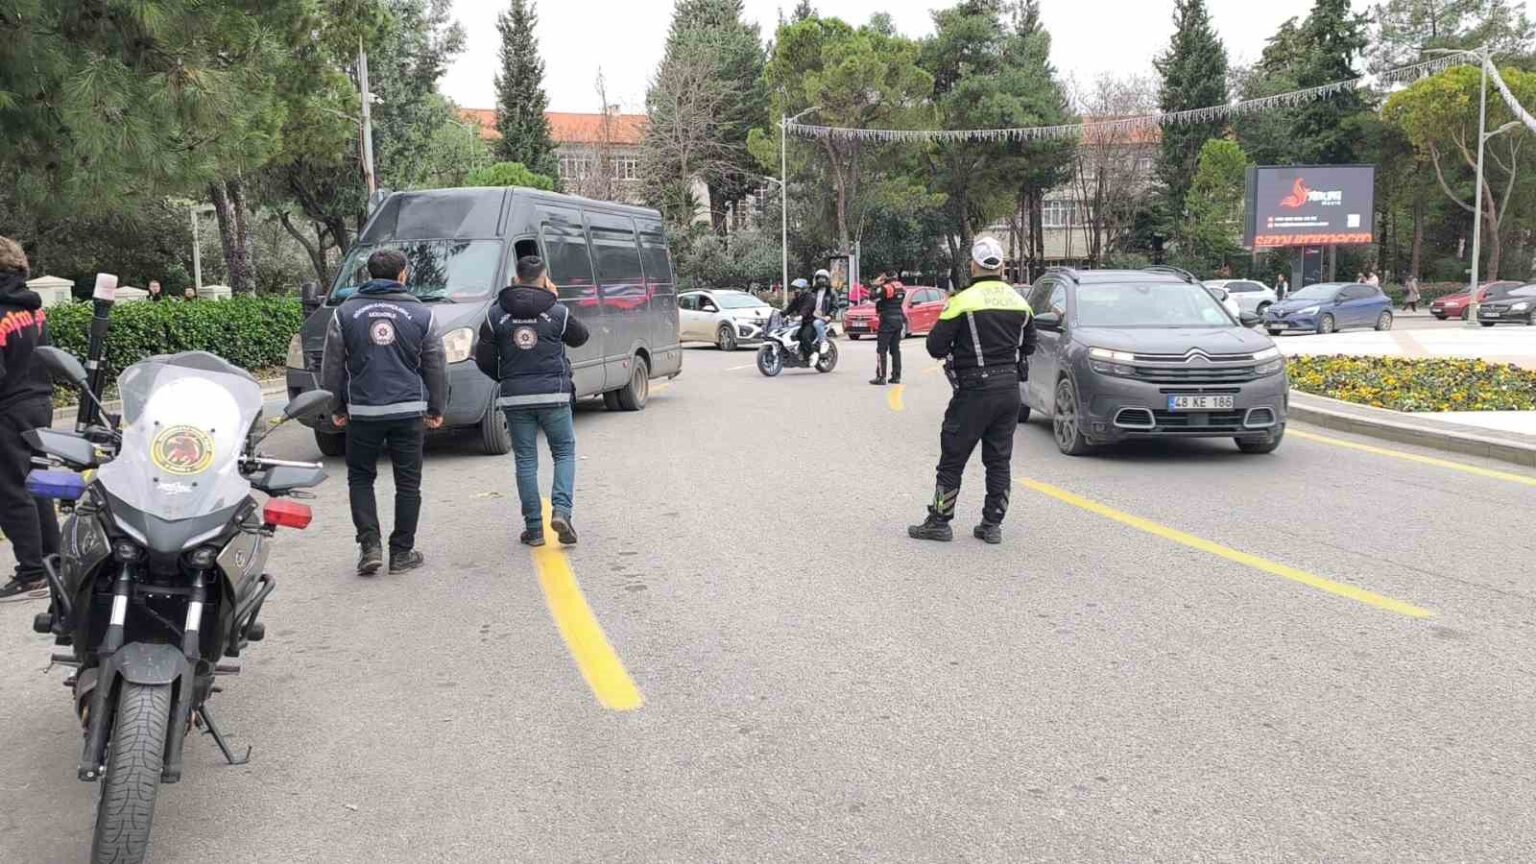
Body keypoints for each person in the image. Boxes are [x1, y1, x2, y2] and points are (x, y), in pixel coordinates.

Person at [321, 248, 447, 576]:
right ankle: (401, 553)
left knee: (361, 477)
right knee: (408, 482)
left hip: (363, 411)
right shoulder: (421, 314)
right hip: (408, 410)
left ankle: (370, 547)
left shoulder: (345, 313)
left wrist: (336, 406)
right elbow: (435, 364)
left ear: (369, 274)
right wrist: (436, 406)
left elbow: (332, 364)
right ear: (402, 274)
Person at [909, 237, 1035, 546]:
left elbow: (935, 347)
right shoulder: (1020, 302)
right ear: (1002, 267)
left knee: (953, 458)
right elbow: (1029, 346)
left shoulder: (962, 301)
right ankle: (992, 525)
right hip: (1009, 391)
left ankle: (939, 522)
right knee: (999, 460)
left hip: (974, 390)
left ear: (973, 266)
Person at [474, 256, 590, 547]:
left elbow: (483, 357)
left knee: (525, 460)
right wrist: (555, 300)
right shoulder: (557, 311)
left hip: (515, 397)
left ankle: (535, 529)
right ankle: (561, 511)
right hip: (554, 396)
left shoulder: (496, 314)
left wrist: (506, 378)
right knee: (563, 453)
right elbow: (581, 337)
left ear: (516, 279)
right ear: (545, 279)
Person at [0, 237, 60, 600]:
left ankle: (32, 572)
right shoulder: (32, 308)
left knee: (9, 490)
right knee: (37, 486)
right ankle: (52, 562)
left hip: (8, 409)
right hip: (40, 402)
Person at [869, 272, 906, 386]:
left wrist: (875, 285)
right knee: (895, 349)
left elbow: (872, 297)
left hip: (887, 321)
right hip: (899, 320)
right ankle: (896, 376)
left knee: (881, 349)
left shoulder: (887, 288)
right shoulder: (900, 287)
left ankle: (881, 377)